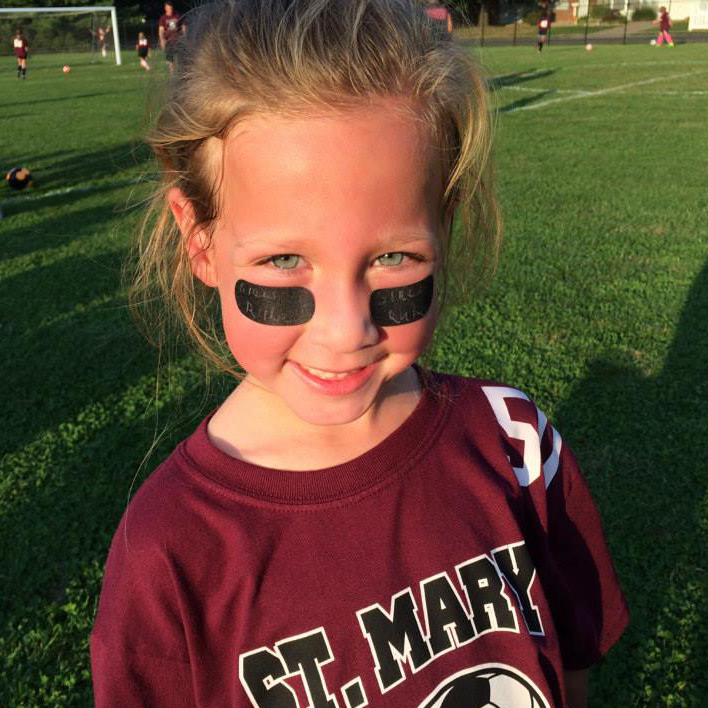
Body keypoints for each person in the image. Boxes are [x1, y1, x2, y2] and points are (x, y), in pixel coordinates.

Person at [90, 1, 629, 707]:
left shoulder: (514, 441)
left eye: (393, 257)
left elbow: (570, 669)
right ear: (200, 242)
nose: (346, 331)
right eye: (284, 260)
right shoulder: (172, 551)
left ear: (444, 226)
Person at [158, 1, 184, 72]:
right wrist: (162, 40)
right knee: (170, 62)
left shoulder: (177, 16)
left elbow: (183, 27)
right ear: (165, 8)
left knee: (179, 60)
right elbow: (161, 31)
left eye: (171, 8)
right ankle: (172, 76)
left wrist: (185, 36)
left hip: (178, 41)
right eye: (168, 8)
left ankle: (180, 73)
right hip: (169, 42)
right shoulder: (163, 18)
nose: (170, 10)